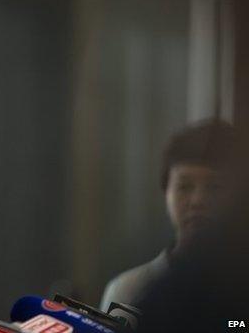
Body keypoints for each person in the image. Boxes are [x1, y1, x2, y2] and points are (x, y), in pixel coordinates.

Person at [99, 120, 236, 311]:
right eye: (184, 187)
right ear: (166, 192)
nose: (197, 200)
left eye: (214, 187)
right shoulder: (129, 292)